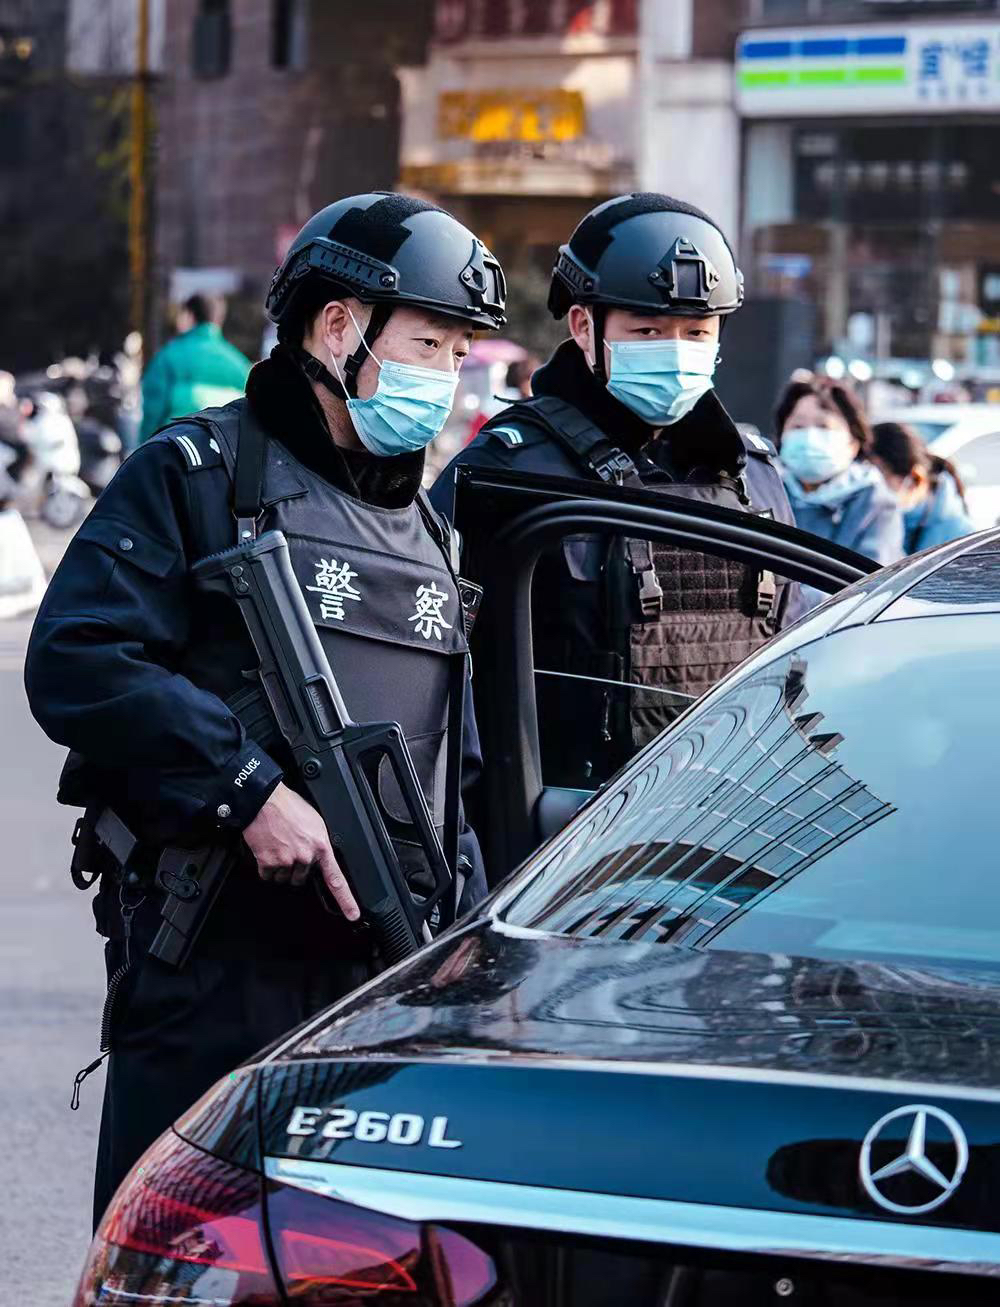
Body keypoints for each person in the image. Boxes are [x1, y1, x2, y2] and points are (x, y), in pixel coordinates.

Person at [24, 191, 506, 1224]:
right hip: (213, 961)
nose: (445, 375)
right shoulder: (197, 474)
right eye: (427, 345)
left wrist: (462, 939)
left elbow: (450, 769)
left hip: (376, 978)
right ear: (337, 326)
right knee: (177, 1249)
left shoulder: (427, 530)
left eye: (459, 353)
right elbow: (76, 655)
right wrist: (246, 789)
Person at [431, 192, 801, 789]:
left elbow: (793, 662)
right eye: (648, 329)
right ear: (584, 326)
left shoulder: (752, 477)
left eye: (697, 332)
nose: (676, 351)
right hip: (562, 827)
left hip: (730, 811)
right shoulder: (509, 473)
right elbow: (436, 679)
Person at [775, 375, 903, 565]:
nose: (809, 437)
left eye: (823, 426)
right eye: (798, 426)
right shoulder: (766, 488)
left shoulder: (876, 503)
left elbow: (873, 577)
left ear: (853, 442)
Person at [138, 293, 251, 443]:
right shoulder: (240, 364)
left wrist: (144, 445)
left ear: (189, 315)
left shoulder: (168, 357)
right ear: (219, 320)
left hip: (174, 447)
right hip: (224, 450)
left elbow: (153, 410)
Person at [871, 420, 974, 554]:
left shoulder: (958, 536)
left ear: (916, 479)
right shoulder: (892, 518)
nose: (870, 489)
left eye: (879, 478)